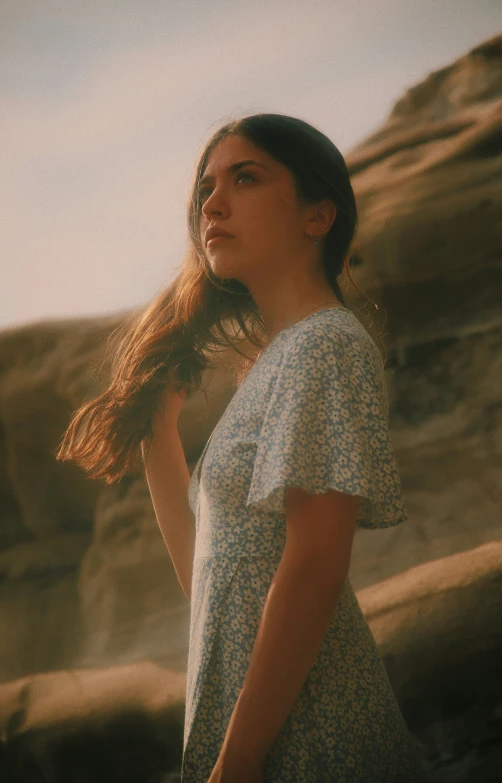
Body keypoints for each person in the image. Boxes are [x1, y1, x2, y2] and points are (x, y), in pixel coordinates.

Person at [56, 113, 430, 782]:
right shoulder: (274, 362)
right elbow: (208, 580)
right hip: (265, 735)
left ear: (317, 217)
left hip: (320, 742)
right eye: (206, 186)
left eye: (246, 178)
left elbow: (316, 563)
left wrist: (239, 758)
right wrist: (158, 438)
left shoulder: (325, 345)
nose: (213, 203)